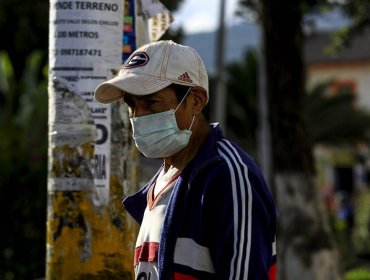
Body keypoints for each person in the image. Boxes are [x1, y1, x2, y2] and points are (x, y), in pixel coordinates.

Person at [94, 40, 277, 280]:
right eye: (131, 104)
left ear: (197, 100)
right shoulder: (160, 184)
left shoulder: (228, 177)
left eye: (151, 102)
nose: (138, 116)